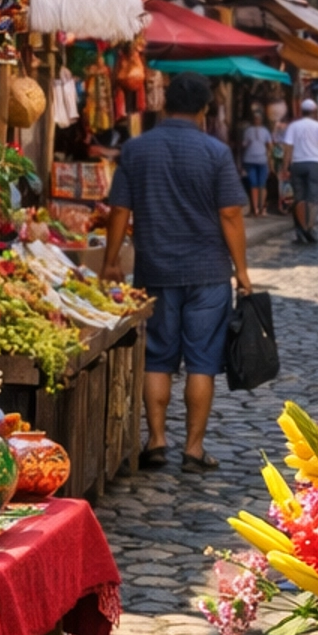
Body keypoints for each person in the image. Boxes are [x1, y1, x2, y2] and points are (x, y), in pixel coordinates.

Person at [101, 69, 251, 475]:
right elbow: (231, 214)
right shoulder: (215, 152)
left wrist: (111, 260)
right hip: (208, 273)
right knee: (203, 362)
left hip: (156, 270)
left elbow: (119, 210)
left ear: (164, 105)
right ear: (204, 109)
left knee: (158, 358)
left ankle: (157, 440)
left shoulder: (137, 149)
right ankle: (194, 448)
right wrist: (243, 272)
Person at [284, 97, 318, 247]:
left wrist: (286, 165)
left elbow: (288, 147)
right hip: (314, 163)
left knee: (299, 197)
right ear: (314, 112)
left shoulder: (293, 126)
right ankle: (309, 227)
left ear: (302, 111)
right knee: (314, 197)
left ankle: (301, 229)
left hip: (297, 163)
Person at [240, 105, 272, 218]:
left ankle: (261, 207)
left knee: (262, 185)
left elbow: (270, 146)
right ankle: (256, 209)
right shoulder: (248, 130)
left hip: (262, 160)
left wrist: (269, 158)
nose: (257, 120)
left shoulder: (265, 131)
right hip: (250, 160)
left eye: (258, 118)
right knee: (254, 184)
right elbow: (244, 145)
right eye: (255, 118)